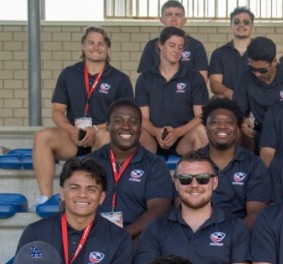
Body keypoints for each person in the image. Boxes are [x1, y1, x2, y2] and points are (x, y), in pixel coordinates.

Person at [33, 26, 133, 206]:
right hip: (73, 138)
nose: (96, 47)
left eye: (101, 43)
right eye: (91, 43)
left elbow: (123, 117)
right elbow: (57, 110)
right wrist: (71, 130)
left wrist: (95, 129)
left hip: (101, 135)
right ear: (82, 47)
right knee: (42, 136)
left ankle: (104, 198)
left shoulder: (120, 79)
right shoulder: (69, 74)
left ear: (108, 48)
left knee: (106, 137)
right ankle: (45, 198)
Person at [87, 99, 173, 239]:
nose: (126, 126)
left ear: (140, 128)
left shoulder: (155, 164)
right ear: (108, 126)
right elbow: (69, 203)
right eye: (118, 121)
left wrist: (124, 235)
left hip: (136, 236)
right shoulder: (89, 163)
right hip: (93, 234)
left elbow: (159, 208)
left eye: (133, 122)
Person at [196, 97, 270, 229]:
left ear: (237, 129)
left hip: (239, 236)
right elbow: (182, 207)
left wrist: (230, 237)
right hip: (196, 236)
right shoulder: (192, 163)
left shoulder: (254, 164)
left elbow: (256, 212)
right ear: (205, 128)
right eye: (215, 122)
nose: (222, 126)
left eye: (229, 122)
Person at [135, 26, 208, 157]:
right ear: (160, 45)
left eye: (180, 47)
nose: (176, 50)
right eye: (172, 45)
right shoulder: (145, 78)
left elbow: (200, 116)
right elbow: (142, 118)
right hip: (153, 138)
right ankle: (135, 175)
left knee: (202, 130)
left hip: (184, 138)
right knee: (134, 131)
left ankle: (201, 175)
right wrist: (156, 131)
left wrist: (177, 132)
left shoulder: (194, 77)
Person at [233, 36, 283, 152]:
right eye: (253, 69)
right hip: (258, 132)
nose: (257, 74)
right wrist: (243, 121)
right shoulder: (245, 78)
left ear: (274, 61)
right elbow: (238, 110)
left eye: (262, 70)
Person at [137, 0, 208, 82]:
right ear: (161, 19)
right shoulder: (152, 45)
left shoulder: (196, 46)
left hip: (187, 93)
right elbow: (144, 79)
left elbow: (202, 80)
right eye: (169, 15)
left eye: (178, 15)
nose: (173, 19)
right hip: (158, 93)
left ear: (185, 20)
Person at [208, 6, 254, 99]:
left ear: (252, 26)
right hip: (229, 102)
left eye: (246, 22)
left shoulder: (261, 52)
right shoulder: (219, 54)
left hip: (255, 102)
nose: (241, 25)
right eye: (237, 22)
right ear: (231, 25)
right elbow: (215, 83)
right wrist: (230, 94)